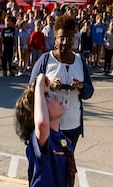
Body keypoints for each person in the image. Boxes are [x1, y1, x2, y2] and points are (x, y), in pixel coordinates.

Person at [13, 74, 77, 187]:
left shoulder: (63, 141)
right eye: (47, 96)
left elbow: (63, 178)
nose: (55, 96)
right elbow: (42, 124)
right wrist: (40, 82)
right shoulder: (40, 140)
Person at [27, 14, 94, 151]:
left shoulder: (80, 61)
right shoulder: (46, 60)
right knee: (51, 164)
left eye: (69, 38)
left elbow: (89, 92)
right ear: (55, 39)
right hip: (50, 127)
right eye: (61, 38)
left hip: (73, 126)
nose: (65, 42)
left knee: (67, 165)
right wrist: (49, 85)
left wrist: (80, 86)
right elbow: (31, 89)